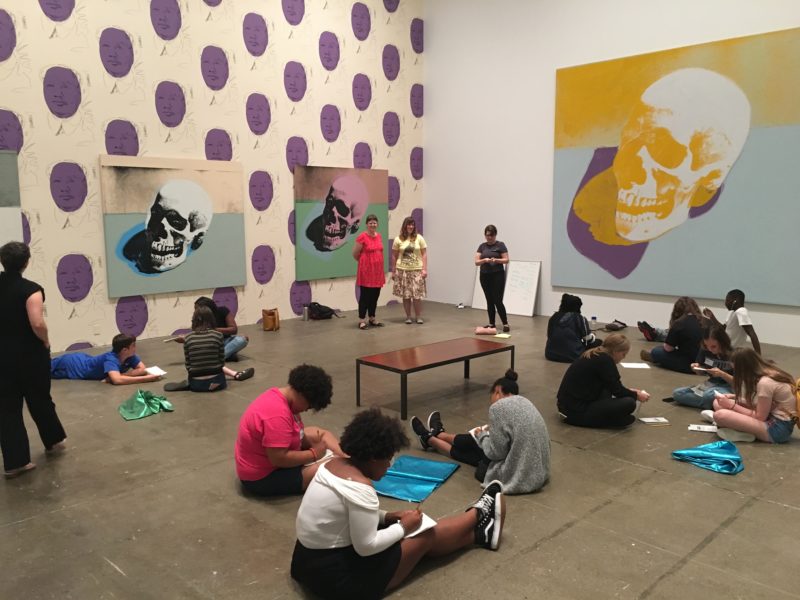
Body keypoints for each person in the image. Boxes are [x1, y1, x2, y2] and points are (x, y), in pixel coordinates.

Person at [291, 407, 506, 600]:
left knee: (406, 530)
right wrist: (404, 527)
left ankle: (481, 533)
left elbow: (343, 517)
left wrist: (388, 517)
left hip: (306, 562)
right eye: (388, 459)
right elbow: (366, 546)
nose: (389, 466)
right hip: (341, 582)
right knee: (424, 535)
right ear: (374, 458)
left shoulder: (331, 466)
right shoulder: (360, 486)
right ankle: (478, 515)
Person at [410, 370, 549, 494]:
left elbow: (495, 453)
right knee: (478, 442)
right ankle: (432, 437)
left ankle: (434, 436)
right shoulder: (525, 402)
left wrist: (482, 436)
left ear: (497, 391)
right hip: (538, 473)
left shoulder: (499, 407)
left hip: (518, 475)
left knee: (477, 448)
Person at [0, 241, 66, 478]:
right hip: (30, 356)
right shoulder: (32, 289)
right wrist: (46, 340)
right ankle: (53, 440)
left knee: (7, 408)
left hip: (2, 357)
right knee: (39, 398)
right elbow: (36, 322)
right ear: (26, 262)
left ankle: (16, 462)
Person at [235, 364, 342, 496]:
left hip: (268, 459)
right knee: (335, 465)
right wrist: (314, 454)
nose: (307, 409)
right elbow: (278, 459)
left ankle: (344, 453)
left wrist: (312, 445)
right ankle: (344, 459)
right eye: (309, 405)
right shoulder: (277, 413)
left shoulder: (281, 396)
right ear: (302, 394)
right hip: (262, 478)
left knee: (320, 433)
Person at [702, 348, 796, 443]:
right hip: (771, 416)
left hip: (777, 429)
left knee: (720, 415)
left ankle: (733, 428)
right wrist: (733, 397)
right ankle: (731, 425)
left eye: (736, 370)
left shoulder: (765, 382)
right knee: (718, 403)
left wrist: (732, 405)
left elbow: (760, 417)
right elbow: (761, 404)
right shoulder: (768, 372)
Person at [557, 333, 650, 428]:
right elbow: (618, 391)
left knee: (611, 393)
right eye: (623, 354)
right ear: (615, 351)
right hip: (575, 412)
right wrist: (636, 395)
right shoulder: (605, 361)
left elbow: (612, 386)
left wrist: (630, 391)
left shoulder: (594, 353)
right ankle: (606, 420)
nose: (624, 357)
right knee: (629, 403)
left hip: (565, 407)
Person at [164, 306, 254, 392]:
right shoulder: (218, 335)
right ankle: (234, 373)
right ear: (212, 319)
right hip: (219, 383)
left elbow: (188, 365)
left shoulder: (188, 338)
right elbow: (221, 362)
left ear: (194, 320)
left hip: (196, 385)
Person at [51, 333, 162, 385]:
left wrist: (119, 376)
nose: (135, 347)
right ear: (124, 350)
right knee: (40, 370)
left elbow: (142, 369)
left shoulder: (130, 356)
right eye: (133, 345)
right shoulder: (111, 359)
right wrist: (146, 379)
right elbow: (117, 380)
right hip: (72, 364)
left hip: (81, 361)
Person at [668, 327, 734, 409]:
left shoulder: (734, 354)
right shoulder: (705, 350)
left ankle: (713, 402)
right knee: (677, 393)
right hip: (710, 384)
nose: (710, 349)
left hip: (727, 387)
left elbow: (739, 383)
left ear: (722, 343)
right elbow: (701, 372)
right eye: (707, 346)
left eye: (714, 346)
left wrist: (722, 374)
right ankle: (714, 404)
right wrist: (696, 368)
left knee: (708, 395)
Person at [640, 297, 703, 374]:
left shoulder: (679, 323)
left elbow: (668, 349)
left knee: (656, 351)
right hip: (706, 363)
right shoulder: (704, 321)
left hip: (690, 364)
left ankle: (655, 357)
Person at [545, 293, 601, 362]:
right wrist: (593, 336)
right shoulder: (580, 318)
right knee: (598, 342)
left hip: (550, 355)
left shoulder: (553, 317)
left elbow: (549, 335)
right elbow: (587, 339)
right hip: (573, 356)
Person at [189, 296, 249, 361]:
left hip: (224, 341)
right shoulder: (199, 317)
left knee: (242, 340)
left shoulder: (222, 310)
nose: (196, 311)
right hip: (209, 343)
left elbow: (233, 329)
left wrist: (212, 330)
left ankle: (216, 358)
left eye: (197, 309)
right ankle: (226, 356)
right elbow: (195, 334)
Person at [702, 289, 761, 354]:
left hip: (734, 351)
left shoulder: (741, 311)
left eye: (727, 300)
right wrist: (712, 317)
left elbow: (752, 333)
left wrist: (758, 356)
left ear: (735, 301)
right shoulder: (732, 312)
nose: (725, 303)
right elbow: (723, 329)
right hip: (727, 349)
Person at [352, 213, 385, 330]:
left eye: (375, 222)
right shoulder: (362, 236)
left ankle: (372, 318)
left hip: (377, 272)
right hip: (366, 272)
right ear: (366, 224)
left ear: (377, 224)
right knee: (365, 297)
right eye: (370, 223)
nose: (373, 224)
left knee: (375, 296)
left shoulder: (379, 236)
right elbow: (355, 253)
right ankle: (362, 320)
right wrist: (364, 263)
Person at [391, 216, 427, 324]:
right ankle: (408, 317)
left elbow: (424, 254)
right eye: (408, 224)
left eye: (412, 224)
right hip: (403, 271)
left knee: (417, 296)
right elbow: (394, 256)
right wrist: (393, 271)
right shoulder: (398, 239)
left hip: (417, 270)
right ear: (405, 226)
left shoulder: (419, 238)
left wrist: (424, 269)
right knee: (406, 296)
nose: (410, 226)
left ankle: (418, 316)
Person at [474, 224, 509, 332]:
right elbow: (476, 262)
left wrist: (496, 260)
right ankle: (491, 323)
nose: (489, 237)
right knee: (489, 300)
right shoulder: (482, 246)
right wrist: (484, 260)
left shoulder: (500, 245)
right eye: (487, 235)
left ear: (495, 235)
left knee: (497, 300)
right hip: (484, 275)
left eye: (491, 235)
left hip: (497, 275)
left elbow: (506, 259)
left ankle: (505, 323)